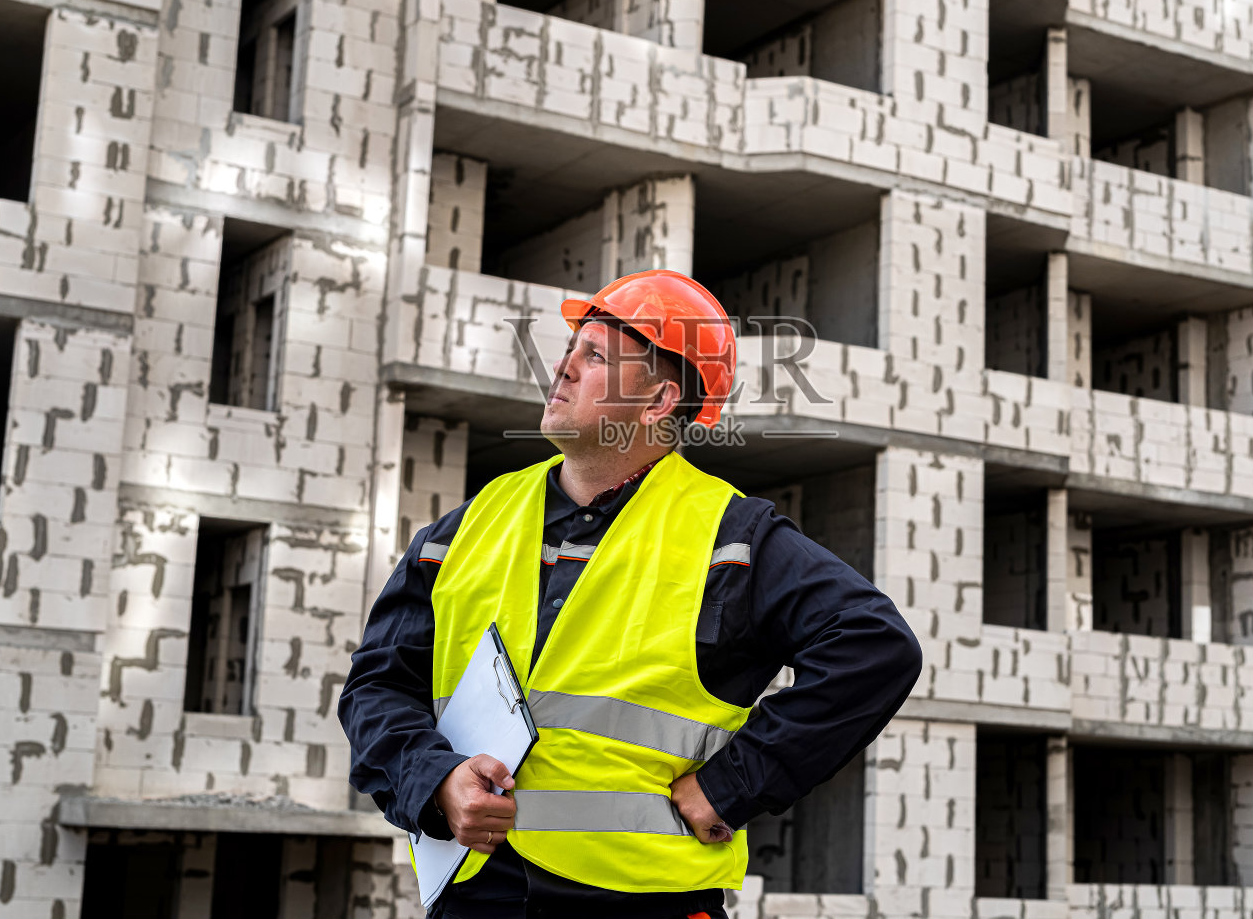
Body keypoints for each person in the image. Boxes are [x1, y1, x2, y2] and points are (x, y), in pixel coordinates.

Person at [339, 269, 922, 919]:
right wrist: (435, 780)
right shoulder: (468, 527)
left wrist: (735, 784)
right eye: (570, 349)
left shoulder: (732, 537)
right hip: (480, 894)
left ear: (657, 401)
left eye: (595, 357)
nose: (563, 368)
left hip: (646, 901)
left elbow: (875, 647)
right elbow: (376, 687)